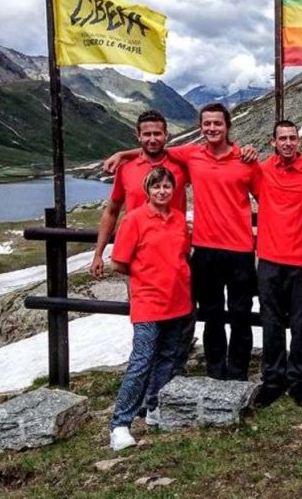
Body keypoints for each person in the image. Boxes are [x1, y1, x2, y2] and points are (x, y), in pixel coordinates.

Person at [105, 103, 260, 381]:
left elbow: (265, 201)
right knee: (211, 317)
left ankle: (237, 376)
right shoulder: (192, 154)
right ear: (201, 127)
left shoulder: (245, 160)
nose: (212, 128)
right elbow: (154, 150)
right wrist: (122, 153)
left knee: (240, 316)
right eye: (207, 124)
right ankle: (215, 373)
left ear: (228, 127)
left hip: (240, 251)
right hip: (204, 249)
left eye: (217, 124)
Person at [108, 167, 192, 451]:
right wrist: (146, 279)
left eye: (167, 186)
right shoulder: (134, 220)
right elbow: (119, 262)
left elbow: (183, 255)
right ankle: (120, 423)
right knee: (142, 360)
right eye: (156, 187)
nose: (162, 191)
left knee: (168, 356)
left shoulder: (179, 219)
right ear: (148, 190)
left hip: (178, 300)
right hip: (148, 302)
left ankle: (154, 407)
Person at [253, 120, 302, 408]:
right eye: (282, 138)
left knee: (299, 325)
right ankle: (273, 380)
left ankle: (299, 381)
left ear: (299, 141)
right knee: (270, 324)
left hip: (300, 262)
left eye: (292, 138)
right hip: (268, 260)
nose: (288, 143)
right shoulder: (262, 170)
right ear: (273, 142)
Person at [91, 110, 187, 280]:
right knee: (141, 304)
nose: (152, 139)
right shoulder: (126, 169)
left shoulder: (181, 166)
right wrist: (98, 254)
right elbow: (112, 211)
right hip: (137, 256)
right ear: (138, 136)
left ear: (166, 135)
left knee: (181, 304)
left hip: (175, 253)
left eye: (157, 134)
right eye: (146, 134)